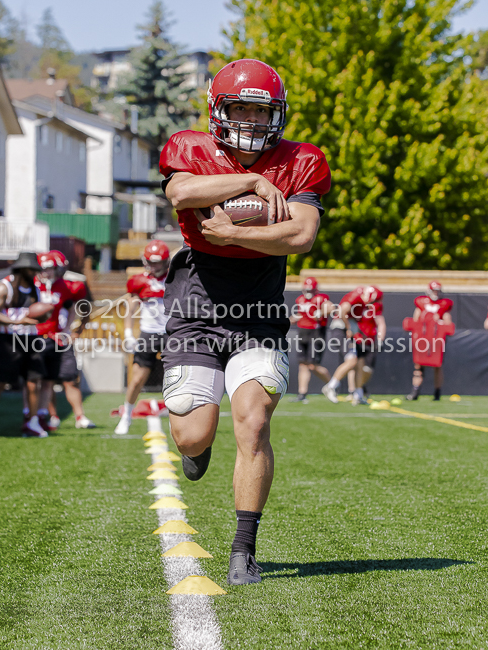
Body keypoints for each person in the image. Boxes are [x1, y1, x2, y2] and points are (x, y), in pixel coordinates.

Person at [159, 58, 331, 585]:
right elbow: (181, 194)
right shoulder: (190, 148)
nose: (253, 122)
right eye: (242, 109)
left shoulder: (302, 160)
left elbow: (301, 235)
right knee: (191, 432)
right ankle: (198, 448)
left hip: (259, 306)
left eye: (262, 111)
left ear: (277, 114)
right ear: (219, 111)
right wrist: (252, 181)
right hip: (196, 302)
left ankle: (243, 549)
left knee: (254, 424)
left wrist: (234, 233)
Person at [0, 252, 47, 438]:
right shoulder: (4, 287)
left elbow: (40, 313)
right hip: (9, 340)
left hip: (30, 340)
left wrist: (42, 316)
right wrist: (19, 322)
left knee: (33, 381)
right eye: (31, 269)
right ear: (22, 269)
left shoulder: (36, 289)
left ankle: (33, 421)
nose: (34, 273)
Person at [36, 250, 96, 430]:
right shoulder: (34, 285)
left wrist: (74, 330)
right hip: (38, 337)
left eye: (56, 267)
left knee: (70, 378)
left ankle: (80, 416)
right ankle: (50, 416)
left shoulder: (69, 286)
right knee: (45, 380)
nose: (55, 271)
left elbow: (84, 310)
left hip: (61, 338)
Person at [115, 240, 170, 435]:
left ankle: (176, 418)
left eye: (157, 262)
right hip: (149, 331)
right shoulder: (138, 280)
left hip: (172, 333)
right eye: (150, 262)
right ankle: (126, 416)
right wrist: (129, 334)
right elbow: (131, 307)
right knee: (137, 378)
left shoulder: (175, 278)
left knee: (175, 378)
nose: (153, 266)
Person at [322, 286, 386, 406]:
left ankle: (359, 394)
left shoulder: (363, 302)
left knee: (360, 362)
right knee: (352, 361)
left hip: (349, 330)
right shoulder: (356, 296)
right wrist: (348, 328)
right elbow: (342, 311)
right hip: (341, 329)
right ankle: (331, 386)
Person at [406, 281, 453, 401]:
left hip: (436, 340)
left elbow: (448, 323)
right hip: (422, 339)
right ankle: (415, 390)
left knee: (437, 365)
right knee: (418, 366)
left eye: (438, 290)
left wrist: (440, 323)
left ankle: (437, 392)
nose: (436, 293)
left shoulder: (444, 305)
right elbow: (415, 320)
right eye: (434, 290)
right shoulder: (421, 303)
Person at [290, 277, 333, 403]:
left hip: (316, 332)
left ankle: (332, 385)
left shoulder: (321, 298)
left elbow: (330, 308)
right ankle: (302, 394)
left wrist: (321, 312)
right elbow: (301, 314)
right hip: (303, 332)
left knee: (313, 365)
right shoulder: (300, 299)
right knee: (303, 364)